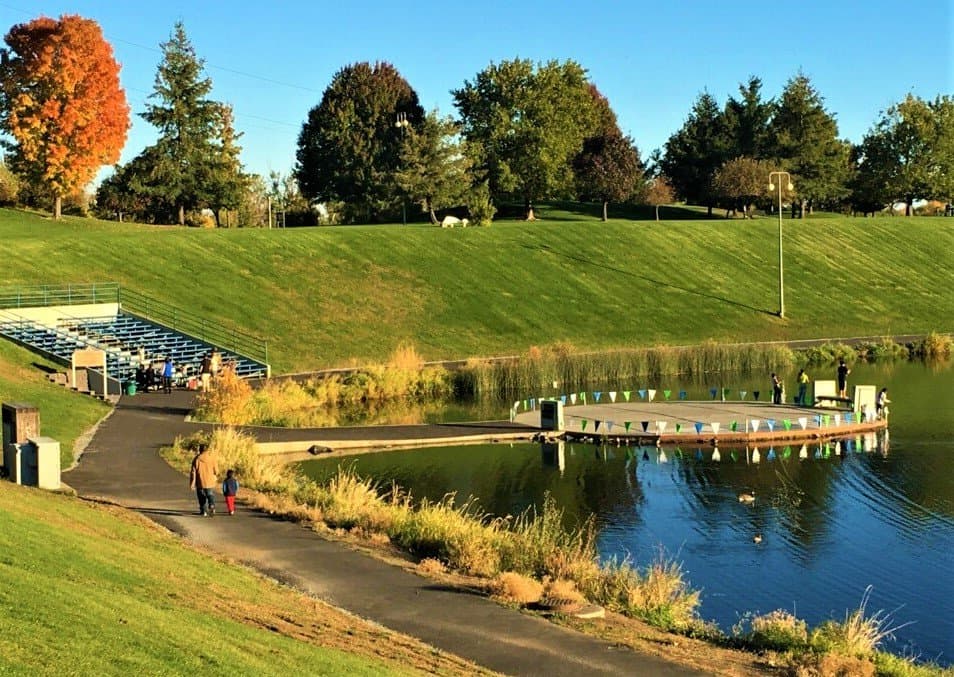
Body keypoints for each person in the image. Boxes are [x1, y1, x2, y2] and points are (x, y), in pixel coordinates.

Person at [189, 443, 219, 517]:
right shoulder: (212, 458)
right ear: (207, 450)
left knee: (201, 496)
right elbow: (216, 470)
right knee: (210, 494)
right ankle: (211, 504)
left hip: (200, 481)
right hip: (210, 480)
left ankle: (203, 510)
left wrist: (192, 483)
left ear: (200, 450)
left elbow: (193, 472)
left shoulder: (196, 459)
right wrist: (215, 475)